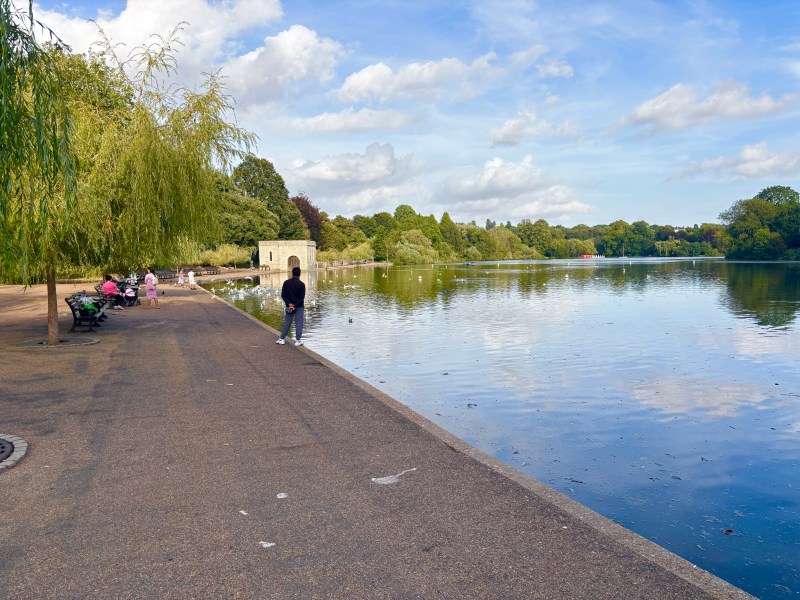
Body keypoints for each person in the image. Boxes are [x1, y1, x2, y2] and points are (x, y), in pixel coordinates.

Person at [276, 266, 305, 346]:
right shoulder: (301, 284)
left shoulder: (286, 283)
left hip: (289, 306)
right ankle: (298, 341)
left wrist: (289, 304)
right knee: (299, 323)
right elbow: (301, 298)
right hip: (299, 306)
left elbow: (283, 295)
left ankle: (281, 339)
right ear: (300, 274)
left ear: (292, 273)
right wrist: (295, 305)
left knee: (287, 323)